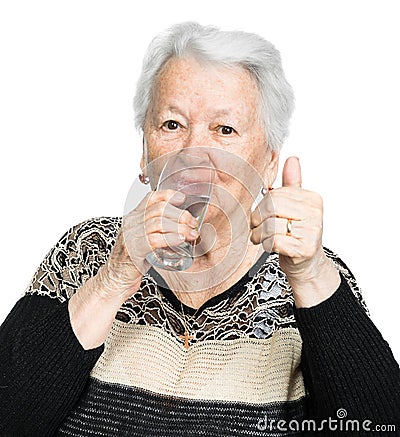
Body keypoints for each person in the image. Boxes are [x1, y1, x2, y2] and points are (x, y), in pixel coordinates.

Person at [1, 21, 399, 437]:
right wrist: (112, 282)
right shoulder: (88, 251)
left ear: (268, 163)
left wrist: (311, 275)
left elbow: (380, 426)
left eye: (225, 130)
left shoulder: (312, 278)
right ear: (144, 153)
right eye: (172, 125)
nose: (193, 152)